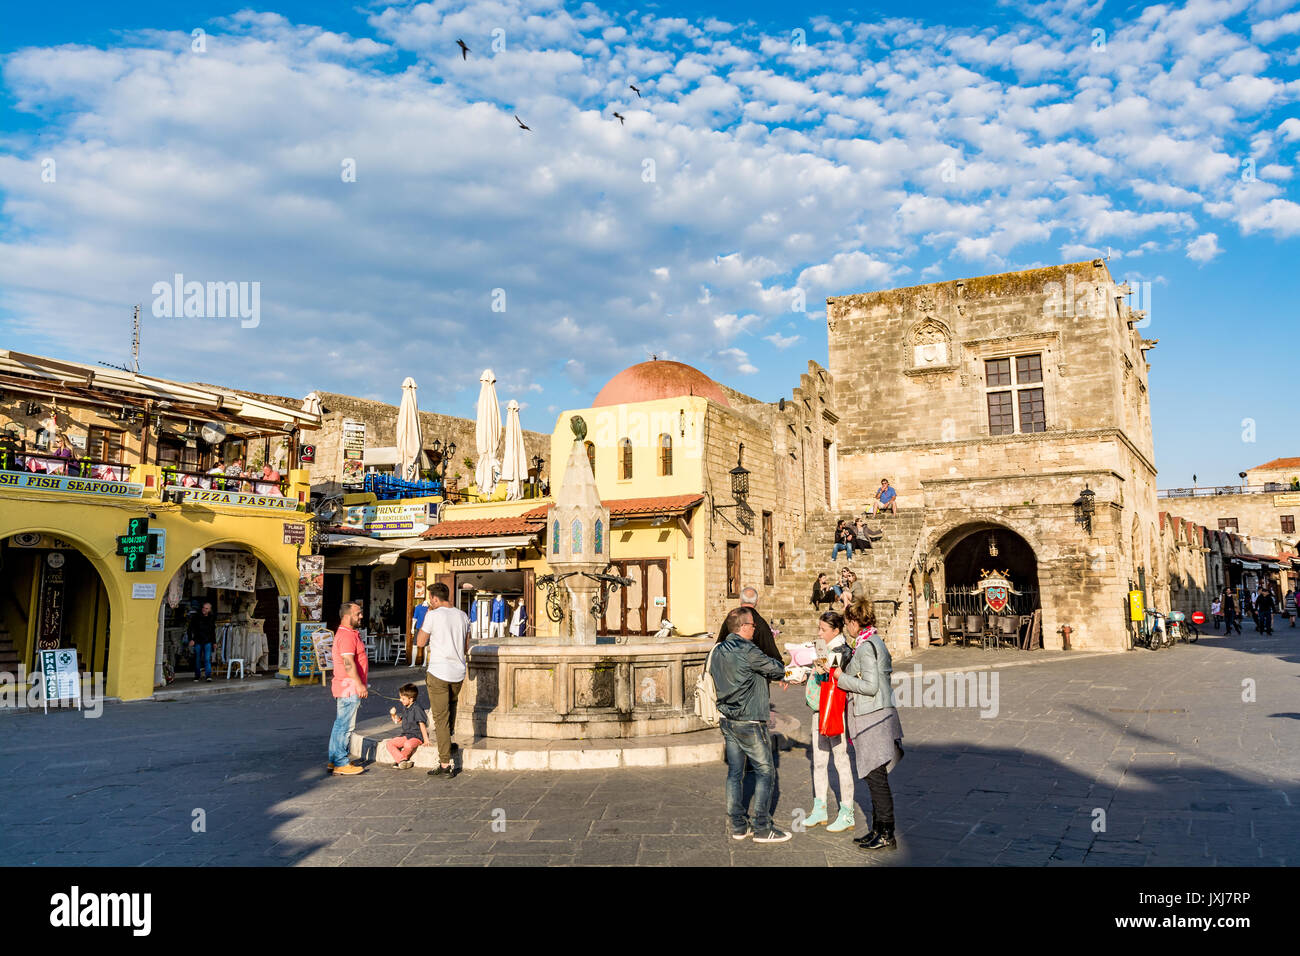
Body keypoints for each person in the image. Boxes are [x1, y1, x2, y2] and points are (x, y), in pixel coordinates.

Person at [712, 607, 791, 843]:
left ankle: (738, 825)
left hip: (728, 720)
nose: (755, 630)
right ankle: (762, 827)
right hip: (750, 719)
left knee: (735, 773)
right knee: (765, 772)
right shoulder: (748, 650)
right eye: (753, 626)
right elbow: (777, 669)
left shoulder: (717, 650)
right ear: (744, 626)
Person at [837, 598, 903, 850]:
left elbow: (870, 686)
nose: (846, 628)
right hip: (877, 715)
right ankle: (878, 829)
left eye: (846, 623)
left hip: (872, 718)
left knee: (876, 778)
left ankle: (886, 832)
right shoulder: (872, 641)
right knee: (875, 776)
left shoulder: (866, 647)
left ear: (855, 622)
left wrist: (840, 678)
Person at [799, 610, 856, 834]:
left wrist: (823, 668)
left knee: (841, 760)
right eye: (819, 629)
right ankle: (820, 807)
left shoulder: (843, 649)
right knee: (820, 759)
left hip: (835, 709)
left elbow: (835, 673)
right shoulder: (823, 648)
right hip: (819, 708)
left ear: (836, 630)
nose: (819, 633)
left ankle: (847, 811)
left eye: (823, 630)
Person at [417, 582, 470, 779]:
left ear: (434, 599)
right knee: (451, 709)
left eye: (431, 599)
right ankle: (448, 742)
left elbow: (421, 642)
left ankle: (445, 763)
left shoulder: (433, 614)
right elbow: (466, 645)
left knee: (440, 718)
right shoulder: (462, 615)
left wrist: (426, 616)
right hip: (458, 672)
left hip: (439, 671)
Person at [328, 601, 369, 776]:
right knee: (345, 726)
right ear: (347, 616)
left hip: (345, 686)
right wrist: (359, 684)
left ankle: (334, 759)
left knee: (340, 724)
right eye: (357, 613)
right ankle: (341, 762)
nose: (361, 616)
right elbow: (348, 662)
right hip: (349, 687)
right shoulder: (346, 635)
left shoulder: (350, 633)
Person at [386, 683, 429, 769]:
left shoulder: (417, 708)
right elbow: (399, 721)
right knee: (389, 743)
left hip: (417, 737)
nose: (400, 700)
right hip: (406, 735)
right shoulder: (406, 707)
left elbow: (422, 724)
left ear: (411, 699)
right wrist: (393, 715)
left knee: (408, 745)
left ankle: (400, 760)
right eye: (400, 698)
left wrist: (426, 740)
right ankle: (402, 760)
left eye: (403, 698)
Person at [187, 600, 217, 682]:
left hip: (207, 641)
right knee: (197, 659)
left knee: (207, 659)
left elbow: (212, 631)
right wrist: (191, 639)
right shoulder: (196, 617)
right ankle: (197, 676)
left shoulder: (211, 618)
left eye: (206, 608)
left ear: (210, 610)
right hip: (197, 641)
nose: (204, 609)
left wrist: (214, 642)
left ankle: (208, 676)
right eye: (203, 608)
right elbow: (189, 629)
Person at [410, 591, 433, 667]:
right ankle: (413, 663)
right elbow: (414, 618)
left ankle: (424, 663)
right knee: (415, 645)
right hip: (418, 628)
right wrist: (412, 628)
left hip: (427, 629)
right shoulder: (418, 607)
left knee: (426, 647)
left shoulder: (431, 608)